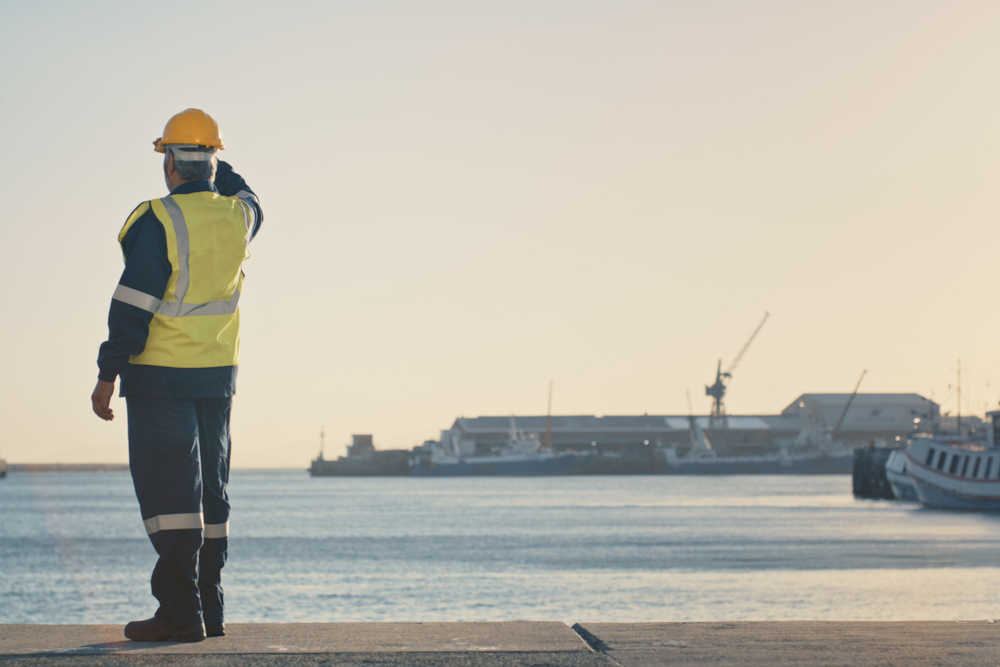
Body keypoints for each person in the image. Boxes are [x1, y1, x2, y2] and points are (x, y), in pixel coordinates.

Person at [91, 108, 263, 642]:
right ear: (213, 160)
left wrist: (107, 372)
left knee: (170, 499)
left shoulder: (156, 219)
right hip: (216, 378)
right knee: (212, 492)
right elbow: (250, 195)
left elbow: (132, 306)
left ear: (169, 162)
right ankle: (209, 609)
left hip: (159, 375)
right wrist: (216, 165)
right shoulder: (239, 218)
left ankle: (178, 614)